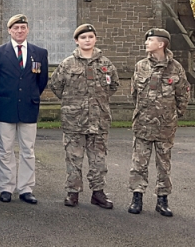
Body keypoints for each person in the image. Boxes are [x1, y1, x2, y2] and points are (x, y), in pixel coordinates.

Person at [49, 24, 119, 209]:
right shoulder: (67, 64)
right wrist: (72, 103)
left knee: (98, 159)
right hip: (74, 121)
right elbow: (55, 85)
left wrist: (97, 102)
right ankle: (72, 193)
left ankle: (98, 193)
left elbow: (113, 86)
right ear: (76, 41)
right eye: (83, 37)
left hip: (99, 120)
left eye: (90, 36)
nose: (87, 40)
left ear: (95, 38)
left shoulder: (106, 64)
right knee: (73, 158)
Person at [0, 14, 49, 205]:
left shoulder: (39, 53)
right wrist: (2, 98)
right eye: (16, 28)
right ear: (9, 31)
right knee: (5, 150)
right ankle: (6, 187)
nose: (19, 31)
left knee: (28, 150)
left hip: (28, 107)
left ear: (27, 30)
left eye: (23, 27)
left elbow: (41, 80)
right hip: (5, 106)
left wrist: (32, 96)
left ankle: (26, 188)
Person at [127, 28, 189, 217]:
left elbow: (183, 93)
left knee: (164, 164)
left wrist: (175, 114)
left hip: (165, 126)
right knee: (139, 163)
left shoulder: (176, 68)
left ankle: (162, 200)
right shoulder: (140, 66)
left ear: (161, 44)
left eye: (150, 40)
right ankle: (137, 197)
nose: (146, 43)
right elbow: (134, 93)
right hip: (143, 124)